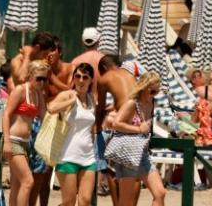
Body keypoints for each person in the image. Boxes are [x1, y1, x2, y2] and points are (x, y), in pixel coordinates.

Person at [112, 72, 166, 206]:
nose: (154, 94)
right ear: (143, 87)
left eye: (156, 92)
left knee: (160, 193)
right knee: (126, 202)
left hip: (142, 154)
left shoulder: (151, 104)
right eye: (152, 90)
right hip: (128, 153)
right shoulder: (132, 103)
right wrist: (138, 129)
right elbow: (116, 124)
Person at [48, 64, 98, 206]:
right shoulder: (67, 95)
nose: (81, 80)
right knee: (68, 202)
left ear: (91, 81)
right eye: (78, 76)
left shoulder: (91, 99)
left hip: (88, 157)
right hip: (67, 156)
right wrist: (71, 101)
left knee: (85, 201)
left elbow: (91, 128)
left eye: (85, 77)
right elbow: (51, 108)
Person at [3, 60, 49, 206]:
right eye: (39, 78)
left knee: (17, 186)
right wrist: (7, 142)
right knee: (28, 182)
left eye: (44, 79)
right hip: (14, 140)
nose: (41, 82)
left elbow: (44, 116)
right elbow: (6, 115)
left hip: (26, 143)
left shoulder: (37, 94)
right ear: (30, 76)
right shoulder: (20, 90)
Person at [97, 55, 136, 206]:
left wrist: (96, 129)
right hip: (139, 126)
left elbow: (99, 108)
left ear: (104, 68)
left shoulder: (106, 77)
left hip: (123, 128)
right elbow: (127, 100)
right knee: (133, 176)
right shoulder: (130, 75)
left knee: (112, 173)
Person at [70, 27, 103, 95]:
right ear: (98, 41)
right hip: (100, 104)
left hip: (81, 102)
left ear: (83, 42)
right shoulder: (104, 61)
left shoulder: (75, 61)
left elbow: (71, 86)